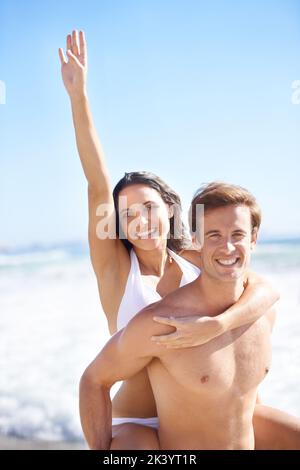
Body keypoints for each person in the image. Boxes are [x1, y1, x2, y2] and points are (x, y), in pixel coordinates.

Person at [58, 30, 280, 449]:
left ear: (170, 209)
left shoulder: (198, 257)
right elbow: (96, 182)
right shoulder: (116, 271)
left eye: (148, 207)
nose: (139, 220)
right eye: (127, 214)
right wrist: (78, 96)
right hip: (140, 419)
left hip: (207, 411)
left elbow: (265, 291)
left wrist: (220, 323)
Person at [79, 183, 300, 450]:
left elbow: (240, 395)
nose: (228, 247)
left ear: (254, 239)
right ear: (196, 241)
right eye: (214, 235)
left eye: (238, 234)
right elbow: (93, 380)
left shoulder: (262, 311)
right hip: (139, 424)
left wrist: (219, 324)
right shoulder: (164, 322)